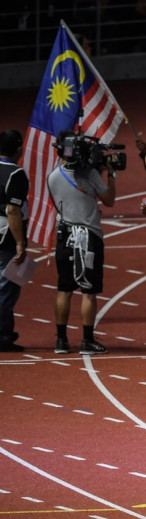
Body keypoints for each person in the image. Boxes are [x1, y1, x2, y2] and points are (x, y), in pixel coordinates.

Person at [48, 131, 117, 355]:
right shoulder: (90, 175)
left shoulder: (53, 176)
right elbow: (109, 200)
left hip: (64, 236)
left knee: (64, 290)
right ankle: (87, 340)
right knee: (88, 291)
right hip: (88, 236)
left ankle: (61, 340)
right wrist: (110, 174)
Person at [0, 130, 28, 353]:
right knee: (7, 287)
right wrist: (20, 242)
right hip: (5, 237)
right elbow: (13, 210)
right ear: (18, 149)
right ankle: (3, 335)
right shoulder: (16, 174)